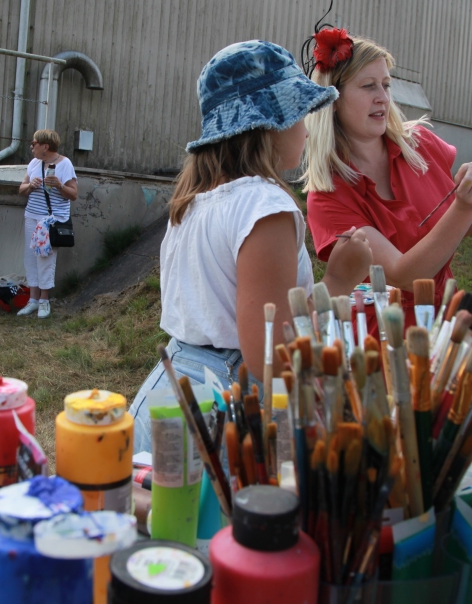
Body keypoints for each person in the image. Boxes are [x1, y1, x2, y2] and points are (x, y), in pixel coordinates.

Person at [127, 40, 374, 454]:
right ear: (270, 124)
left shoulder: (190, 204)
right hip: (223, 410)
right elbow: (267, 354)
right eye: (299, 115)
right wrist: (339, 279)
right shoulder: (265, 207)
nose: (306, 127)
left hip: (167, 392)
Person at [300, 29, 472, 337]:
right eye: (368, 86)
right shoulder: (327, 196)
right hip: (389, 337)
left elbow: (457, 231)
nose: (383, 98)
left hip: (449, 312)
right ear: (333, 100)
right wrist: (464, 205)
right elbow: (405, 276)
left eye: (386, 85)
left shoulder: (421, 144)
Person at [16, 129, 78, 319]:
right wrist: (30, 186)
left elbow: (74, 194)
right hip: (32, 216)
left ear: (45, 146)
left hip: (50, 220)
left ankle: (44, 301)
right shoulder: (34, 163)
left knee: (45, 258)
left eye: (34, 143)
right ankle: (33, 300)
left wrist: (59, 185)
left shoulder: (64, 164)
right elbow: (21, 189)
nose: (31, 147)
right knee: (30, 257)